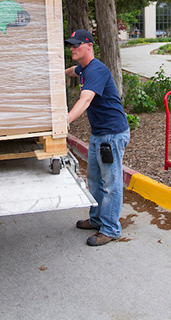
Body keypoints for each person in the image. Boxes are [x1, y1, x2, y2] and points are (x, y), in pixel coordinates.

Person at [65, 29, 130, 246]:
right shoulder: (84, 69)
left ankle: (110, 228)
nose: (72, 48)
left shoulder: (96, 71)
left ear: (89, 46)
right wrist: (58, 73)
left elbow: (84, 101)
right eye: (71, 45)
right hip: (99, 133)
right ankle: (96, 220)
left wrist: (64, 120)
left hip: (112, 135)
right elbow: (74, 71)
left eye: (77, 45)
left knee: (111, 183)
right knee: (94, 180)